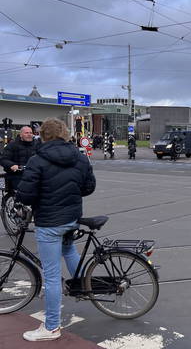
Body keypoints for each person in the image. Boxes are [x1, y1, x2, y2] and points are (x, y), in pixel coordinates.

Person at [16, 118, 96, 341]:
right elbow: (89, 187)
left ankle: (51, 327)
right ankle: (83, 286)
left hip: (49, 222)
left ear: (43, 135)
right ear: (65, 133)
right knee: (69, 250)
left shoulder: (37, 160)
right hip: (71, 218)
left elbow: (25, 195)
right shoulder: (80, 157)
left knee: (51, 276)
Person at [0, 126, 40, 197]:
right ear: (21, 135)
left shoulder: (37, 145)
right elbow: (3, 159)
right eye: (26, 133)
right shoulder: (12, 145)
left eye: (31, 133)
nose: (29, 134)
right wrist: (11, 165)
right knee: (22, 193)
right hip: (17, 175)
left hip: (34, 174)